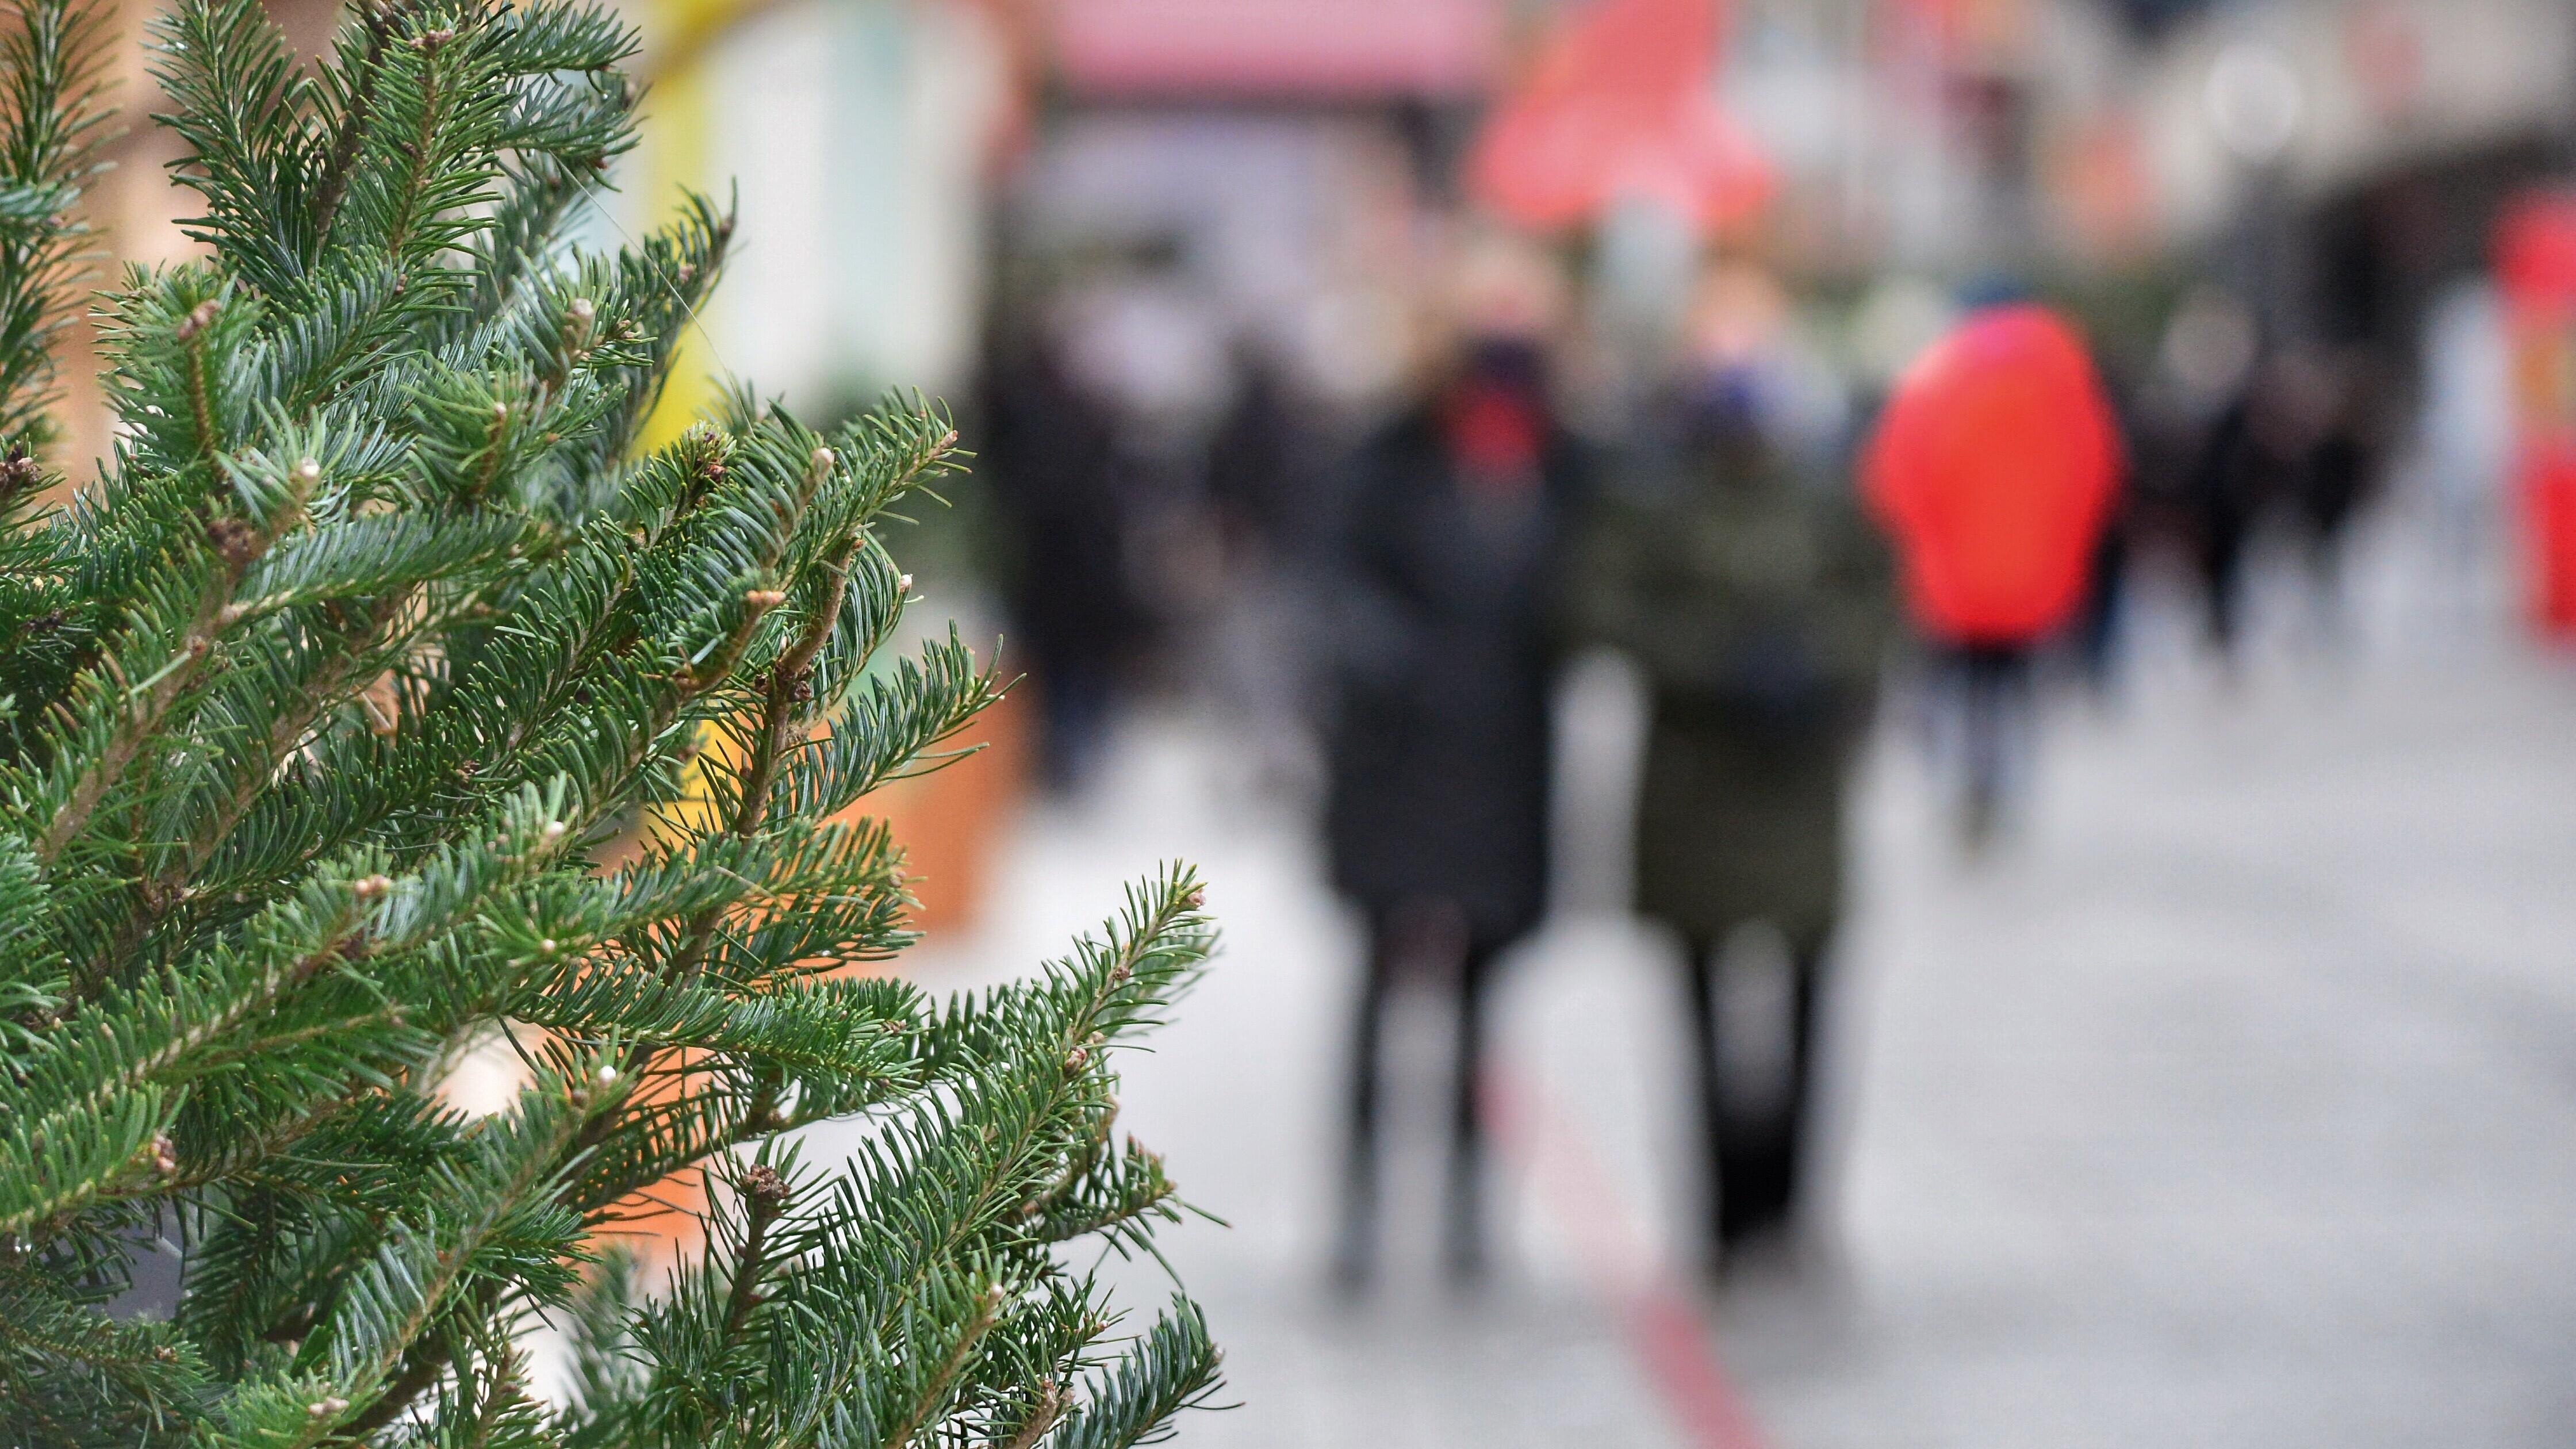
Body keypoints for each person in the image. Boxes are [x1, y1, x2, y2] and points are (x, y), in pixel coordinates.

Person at [1573, 264, 1889, 1264]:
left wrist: (1818, 665)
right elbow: (1598, 607)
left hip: (1799, 794)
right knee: (1701, 1019)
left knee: (1806, 1015)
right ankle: (1718, 1210)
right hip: (1694, 798)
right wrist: (1714, 662)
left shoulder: (1829, 497)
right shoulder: (1653, 495)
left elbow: (1884, 607)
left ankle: (1790, 1207)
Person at [1324, 248, 1582, 1286]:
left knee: (1485, 998)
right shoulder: (1385, 458)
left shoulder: (1560, 459)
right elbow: (1329, 579)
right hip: (1397, 762)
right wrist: (1383, 651)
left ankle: (1473, 1216)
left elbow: (1598, 577)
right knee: (1378, 990)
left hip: (1503, 764)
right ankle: (1361, 1209)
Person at [1862, 300, 2122, 844]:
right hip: (2033, 581)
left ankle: (1964, 787)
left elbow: (1893, 478)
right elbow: (2096, 480)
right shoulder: (2065, 384)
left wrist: (1920, 549)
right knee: (2013, 691)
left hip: (1950, 581)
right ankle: (2008, 789)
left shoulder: (1939, 382)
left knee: (1957, 688)